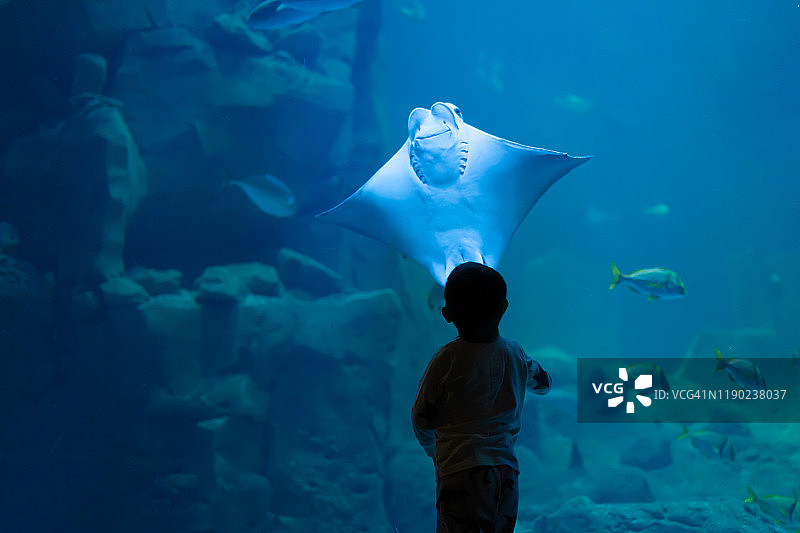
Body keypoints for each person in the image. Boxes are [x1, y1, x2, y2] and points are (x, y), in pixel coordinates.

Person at [412, 262, 552, 533]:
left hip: (460, 471)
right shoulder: (515, 353)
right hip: (506, 473)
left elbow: (421, 417)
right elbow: (544, 385)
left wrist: (433, 451)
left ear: (446, 313)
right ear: (504, 307)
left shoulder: (446, 358)